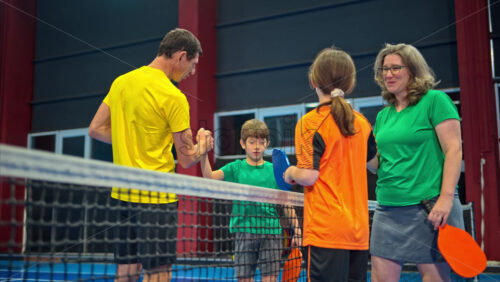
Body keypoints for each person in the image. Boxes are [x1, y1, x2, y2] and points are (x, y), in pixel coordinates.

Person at [88, 28, 213, 282]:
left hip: (122, 195)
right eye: (192, 63)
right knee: (158, 274)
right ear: (180, 56)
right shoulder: (174, 97)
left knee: (126, 272)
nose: (193, 71)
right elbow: (187, 157)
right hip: (157, 197)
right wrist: (204, 144)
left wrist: (130, 138)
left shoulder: (121, 82)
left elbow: (96, 129)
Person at [369, 43, 464, 282]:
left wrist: (445, 199)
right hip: (387, 208)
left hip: (428, 208)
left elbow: (454, 149)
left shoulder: (435, 101)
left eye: (395, 68)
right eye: (384, 69)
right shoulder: (383, 115)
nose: (388, 74)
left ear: (412, 70)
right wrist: (360, 151)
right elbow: (378, 165)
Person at [284, 47, 376, 282]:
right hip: (358, 231)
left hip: (326, 231)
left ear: (313, 80)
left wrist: (290, 172)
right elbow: (375, 164)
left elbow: (309, 176)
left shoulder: (310, 122)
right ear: (351, 84)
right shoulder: (362, 123)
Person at [200, 119, 301, 282]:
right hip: (244, 232)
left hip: (271, 233)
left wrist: (296, 230)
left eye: (261, 142)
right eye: (252, 142)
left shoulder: (275, 170)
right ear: (243, 143)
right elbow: (209, 176)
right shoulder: (235, 167)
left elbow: (286, 202)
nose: (256, 146)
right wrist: (203, 153)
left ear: (267, 143)